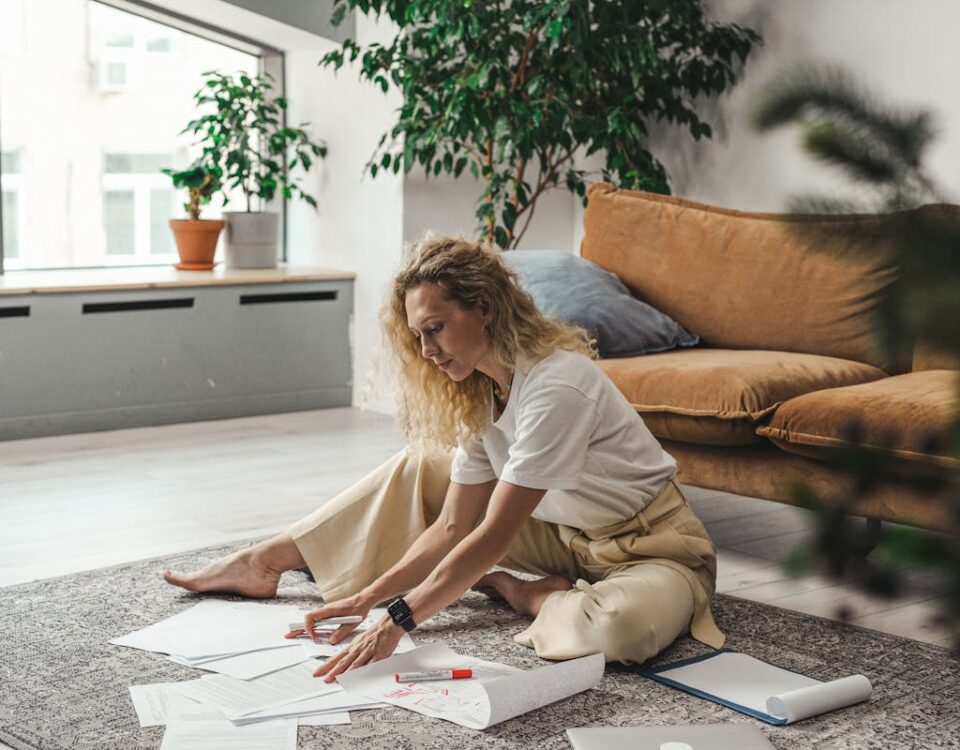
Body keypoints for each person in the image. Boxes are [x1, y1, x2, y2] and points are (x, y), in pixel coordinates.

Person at [163, 235, 725, 683]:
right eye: (418, 336)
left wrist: (401, 617)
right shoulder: (481, 391)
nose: (428, 352)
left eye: (435, 329)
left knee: (618, 632)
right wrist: (367, 600)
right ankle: (268, 559)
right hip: (567, 533)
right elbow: (455, 524)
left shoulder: (558, 386)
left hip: (654, 550)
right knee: (425, 466)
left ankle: (524, 591)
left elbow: (489, 538)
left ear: (482, 308)